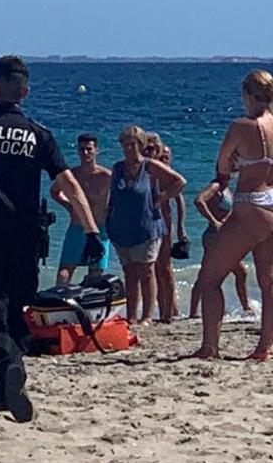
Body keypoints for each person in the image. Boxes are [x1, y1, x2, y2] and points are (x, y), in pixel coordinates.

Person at [0, 56, 104, 425]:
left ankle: (9, 365)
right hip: (26, 237)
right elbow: (69, 183)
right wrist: (91, 231)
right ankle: (4, 383)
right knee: (17, 309)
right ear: (25, 91)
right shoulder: (38, 133)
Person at [194, 70, 273, 360]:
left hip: (250, 204)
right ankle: (264, 347)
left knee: (209, 279)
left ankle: (210, 347)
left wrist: (237, 164)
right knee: (268, 281)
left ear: (248, 96)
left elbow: (223, 165)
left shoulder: (242, 126)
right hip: (272, 203)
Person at [106, 125, 186, 325]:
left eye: (132, 144)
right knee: (129, 273)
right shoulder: (117, 168)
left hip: (147, 227)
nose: (128, 149)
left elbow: (179, 182)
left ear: (140, 145)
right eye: (125, 145)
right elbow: (112, 198)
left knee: (147, 270)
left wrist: (161, 198)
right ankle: (132, 314)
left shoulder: (149, 166)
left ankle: (147, 316)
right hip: (122, 228)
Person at [51, 134, 112, 285]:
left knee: (96, 272)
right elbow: (55, 192)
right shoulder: (73, 175)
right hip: (77, 227)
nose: (85, 153)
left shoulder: (107, 176)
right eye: (82, 149)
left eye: (89, 149)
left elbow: (121, 197)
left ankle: (95, 303)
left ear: (96, 150)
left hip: (100, 228)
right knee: (65, 270)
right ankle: (60, 300)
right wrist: (69, 206)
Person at [189, 180, 251, 318]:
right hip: (214, 236)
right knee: (209, 274)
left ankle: (246, 307)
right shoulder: (215, 186)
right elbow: (199, 201)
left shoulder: (227, 189)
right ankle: (193, 311)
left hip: (225, 236)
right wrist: (214, 221)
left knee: (239, 273)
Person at [154, 144, 188, 322]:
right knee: (156, 270)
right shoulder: (155, 174)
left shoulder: (169, 177)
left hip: (165, 225)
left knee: (165, 268)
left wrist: (181, 226)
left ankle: (170, 310)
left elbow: (179, 200)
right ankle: (167, 309)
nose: (164, 161)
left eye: (167, 158)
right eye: (162, 157)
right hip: (153, 225)